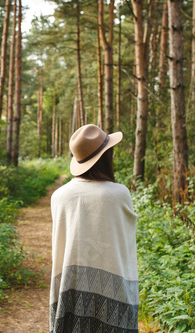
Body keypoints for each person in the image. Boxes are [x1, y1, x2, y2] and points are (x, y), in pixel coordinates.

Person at [49, 124, 139, 333]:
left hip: (69, 290)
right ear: (106, 157)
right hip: (113, 294)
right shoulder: (119, 194)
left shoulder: (59, 196)